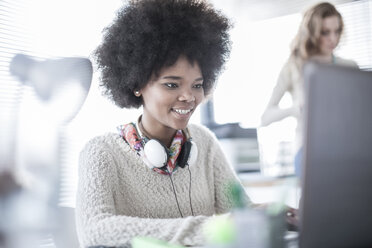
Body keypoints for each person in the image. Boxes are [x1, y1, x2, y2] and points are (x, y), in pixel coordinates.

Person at [76, 0, 298, 247]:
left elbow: (238, 211)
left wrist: (263, 212)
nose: (189, 97)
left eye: (197, 85)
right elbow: (95, 230)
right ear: (137, 83)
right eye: (172, 84)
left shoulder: (203, 142)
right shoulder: (101, 153)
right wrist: (207, 228)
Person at [261, 2, 358, 176]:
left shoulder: (349, 67)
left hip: (344, 149)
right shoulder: (294, 67)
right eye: (325, 32)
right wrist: (295, 108)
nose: (333, 39)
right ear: (313, 33)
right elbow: (265, 118)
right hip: (308, 151)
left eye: (337, 31)